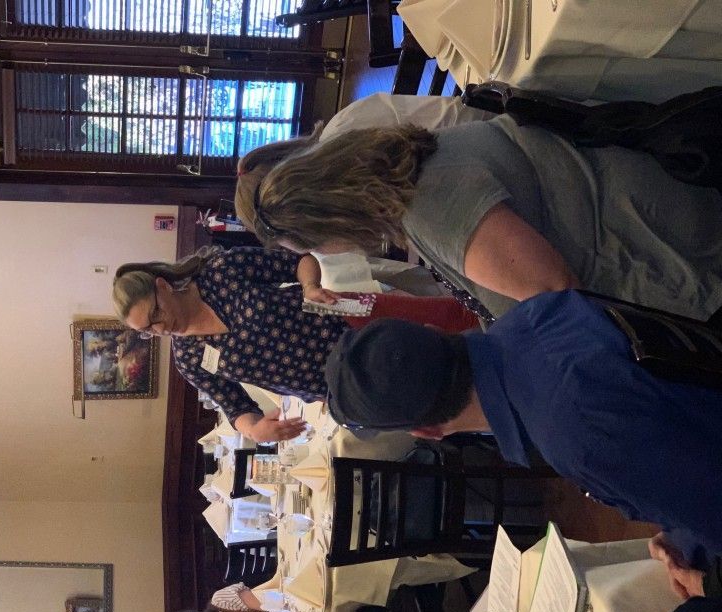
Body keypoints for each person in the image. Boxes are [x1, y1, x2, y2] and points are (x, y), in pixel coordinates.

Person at [323, 290, 722, 569]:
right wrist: (678, 527)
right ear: (434, 329)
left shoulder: (575, 437)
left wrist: (696, 562)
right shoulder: (534, 313)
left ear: (428, 432)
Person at [234, 96, 722, 321]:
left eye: (314, 244)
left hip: (665, 255)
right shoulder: (409, 160)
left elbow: (558, 296)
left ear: (330, 219)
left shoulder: (429, 208)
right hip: (638, 199)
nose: (325, 253)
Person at [113, 246, 478, 442]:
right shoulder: (189, 359)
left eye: (156, 315)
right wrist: (255, 429)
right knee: (436, 410)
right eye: (148, 331)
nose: (160, 330)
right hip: (339, 387)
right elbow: (234, 407)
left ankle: (517, 317)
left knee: (452, 319)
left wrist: (309, 287)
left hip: (347, 315)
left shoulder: (220, 272)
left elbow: (298, 262)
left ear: (162, 286)